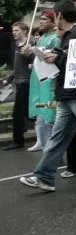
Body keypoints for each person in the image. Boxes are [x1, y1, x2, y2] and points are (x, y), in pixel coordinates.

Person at [19, 0, 76, 192]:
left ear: (59, 15)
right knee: (58, 138)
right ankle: (44, 176)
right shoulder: (68, 34)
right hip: (65, 94)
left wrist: (58, 57)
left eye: (54, 15)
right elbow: (65, 58)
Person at [27, 10, 61, 152]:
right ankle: (44, 145)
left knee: (50, 118)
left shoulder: (55, 38)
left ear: (54, 22)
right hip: (39, 86)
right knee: (41, 116)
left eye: (44, 19)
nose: (41, 21)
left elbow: (55, 60)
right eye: (40, 19)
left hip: (49, 86)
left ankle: (52, 152)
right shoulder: (41, 39)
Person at [4, 22, 32, 150]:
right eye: (13, 30)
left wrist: (30, 57)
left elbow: (33, 64)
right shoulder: (15, 46)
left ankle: (18, 140)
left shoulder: (29, 46)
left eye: (17, 30)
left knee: (19, 112)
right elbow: (16, 66)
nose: (14, 32)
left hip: (26, 82)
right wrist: (8, 78)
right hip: (18, 82)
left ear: (25, 31)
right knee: (26, 112)